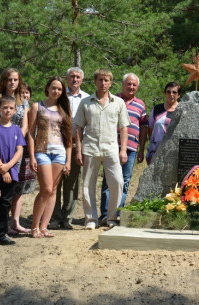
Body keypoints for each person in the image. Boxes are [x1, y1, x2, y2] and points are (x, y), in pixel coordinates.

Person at [74, 68, 130, 229]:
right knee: (87, 185)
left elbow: (124, 127)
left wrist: (123, 150)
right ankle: (91, 219)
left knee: (118, 182)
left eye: (106, 80)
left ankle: (111, 218)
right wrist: (78, 150)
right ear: (95, 82)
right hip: (90, 148)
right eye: (100, 80)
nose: (103, 83)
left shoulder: (118, 103)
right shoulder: (86, 103)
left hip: (111, 148)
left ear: (111, 83)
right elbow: (78, 128)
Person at [99, 73, 147, 225]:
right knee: (109, 181)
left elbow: (143, 128)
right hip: (111, 146)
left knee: (125, 181)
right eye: (128, 84)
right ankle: (105, 214)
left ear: (137, 87)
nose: (131, 87)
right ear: (122, 84)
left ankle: (116, 214)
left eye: (134, 85)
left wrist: (141, 149)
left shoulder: (141, 104)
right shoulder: (113, 99)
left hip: (131, 148)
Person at [28, 77, 73, 238]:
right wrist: (32, 156)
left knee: (53, 190)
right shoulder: (37, 106)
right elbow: (31, 133)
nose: (56, 91)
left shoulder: (64, 109)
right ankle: (34, 227)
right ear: (47, 88)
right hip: (42, 151)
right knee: (46, 188)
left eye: (60, 89)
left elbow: (68, 138)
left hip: (60, 153)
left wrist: (68, 160)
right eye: (53, 88)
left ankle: (44, 227)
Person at [0, 95, 25, 248]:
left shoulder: (16, 130)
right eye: (4, 107)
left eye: (10, 108)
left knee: (6, 203)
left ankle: (2, 233)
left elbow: (19, 150)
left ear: (15, 110)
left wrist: (8, 167)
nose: (7, 110)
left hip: (11, 172)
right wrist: (2, 168)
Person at [51, 67, 89, 230]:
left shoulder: (87, 98)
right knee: (55, 182)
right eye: (72, 76)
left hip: (76, 144)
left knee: (72, 183)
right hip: (57, 143)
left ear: (82, 80)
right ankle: (54, 217)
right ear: (67, 79)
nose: (75, 79)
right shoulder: (59, 94)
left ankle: (68, 217)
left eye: (78, 77)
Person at [0, 68, 32, 235]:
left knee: (17, 187)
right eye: (9, 79)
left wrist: (17, 141)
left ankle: (15, 222)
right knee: (0, 187)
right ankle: (0, 225)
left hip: (18, 147)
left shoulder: (23, 100)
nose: (12, 82)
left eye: (15, 80)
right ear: (4, 81)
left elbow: (25, 125)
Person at [8, 82, 36, 235]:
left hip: (25, 150)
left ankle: (16, 222)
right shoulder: (11, 106)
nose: (25, 95)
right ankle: (3, 222)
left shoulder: (31, 108)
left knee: (20, 188)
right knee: (7, 188)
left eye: (27, 92)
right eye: (22, 92)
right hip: (9, 148)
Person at [146, 82, 181, 165]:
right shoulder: (157, 109)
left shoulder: (182, 110)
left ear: (178, 95)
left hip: (174, 151)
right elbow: (150, 128)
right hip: (156, 150)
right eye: (168, 92)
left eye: (174, 92)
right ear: (165, 93)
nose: (171, 94)